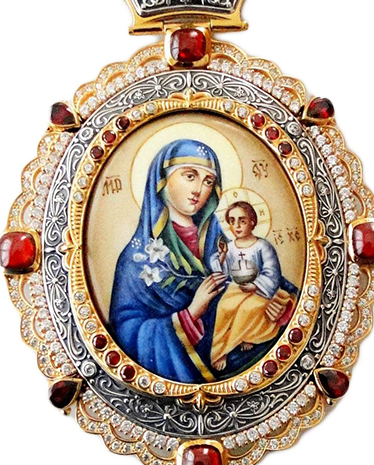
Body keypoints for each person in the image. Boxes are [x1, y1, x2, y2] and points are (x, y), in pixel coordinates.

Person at [107, 139, 290, 383]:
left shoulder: (219, 239)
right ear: (162, 180)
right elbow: (127, 334)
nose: (199, 190)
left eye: (208, 181)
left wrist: (277, 308)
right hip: (187, 369)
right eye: (190, 176)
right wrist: (190, 314)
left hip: (246, 359)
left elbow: (266, 281)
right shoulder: (136, 258)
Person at [207, 201, 288, 372]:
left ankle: (245, 337)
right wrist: (222, 257)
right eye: (232, 221)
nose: (237, 226)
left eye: (242, 221)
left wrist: (256, 285)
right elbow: (224, 272)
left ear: (252, 221)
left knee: (248, 309)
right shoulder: (230, 247)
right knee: (224, 307)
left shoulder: (262, 246)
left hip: (261, 291)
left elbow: (272, 272)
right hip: (237, 289)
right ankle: (219, 350)